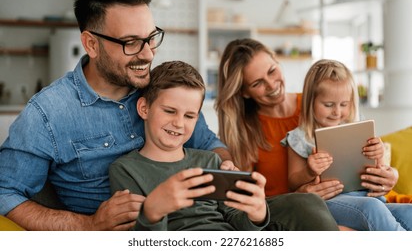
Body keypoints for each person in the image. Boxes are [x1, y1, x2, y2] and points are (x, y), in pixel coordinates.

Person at [0, 0, 231, 231]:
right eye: (130, 42)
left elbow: (209, 144)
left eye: (151, 38)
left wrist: (226, 166)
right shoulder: (48, 113)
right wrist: (88, 224)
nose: (148, 54)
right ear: (91, 44)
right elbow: (4, 193)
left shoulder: (162, 88)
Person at [109, 60, 339, 231]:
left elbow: (236, 221)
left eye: (190, 116)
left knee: (308, 202)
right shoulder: (125, 169)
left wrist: (256, 214)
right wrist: (153, 210)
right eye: (169, 111)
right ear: (144, 109)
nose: (178, 123)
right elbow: (135, 238)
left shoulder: (209, 161)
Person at [215, 38, 409, 229]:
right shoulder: (247, 134)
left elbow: (369, 157)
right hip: (302, 215)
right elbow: (246, 205)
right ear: (244, 92)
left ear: (277, 61)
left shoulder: (325, 100)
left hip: (364, 200)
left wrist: (389, 174)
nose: (271, 85)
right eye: (257, 83)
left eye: (272, 70)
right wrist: (304, 194)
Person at [284, 59, 412, 230]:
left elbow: (378, 170)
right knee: (371, 209)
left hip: (370, 197)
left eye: (344, 104)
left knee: (408, 212)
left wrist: (379, 154)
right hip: (331, 201)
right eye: (328, 105)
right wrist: (309, 170)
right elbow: (293, 182)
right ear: (310, 102)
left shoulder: (358, 127)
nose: (337, 111)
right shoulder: (299, 137)